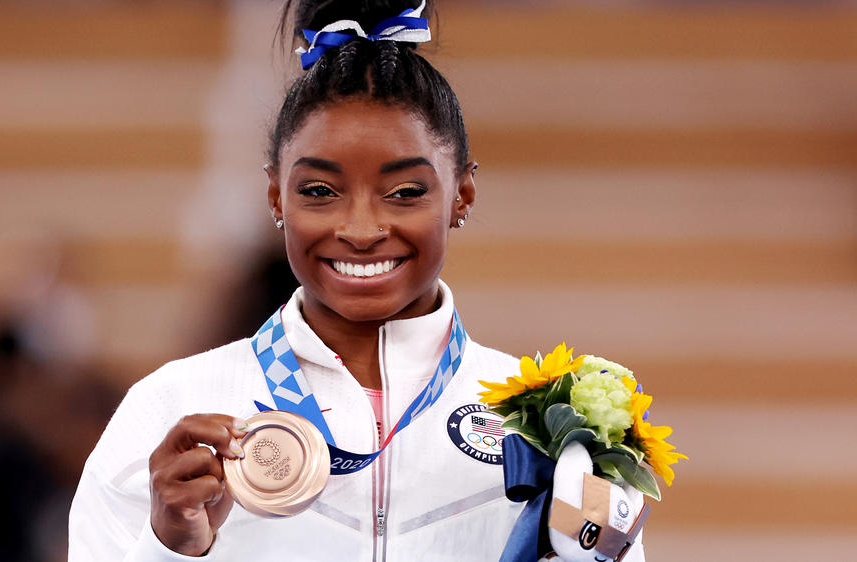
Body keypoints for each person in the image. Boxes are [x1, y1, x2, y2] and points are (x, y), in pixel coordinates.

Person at [69, 1, 645, 560]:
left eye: (405, 192)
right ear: (276, 196)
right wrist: (168, 550)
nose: (362, 229)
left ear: (462, 194)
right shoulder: (170, 407)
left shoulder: (552, 427)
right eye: (319, 191)